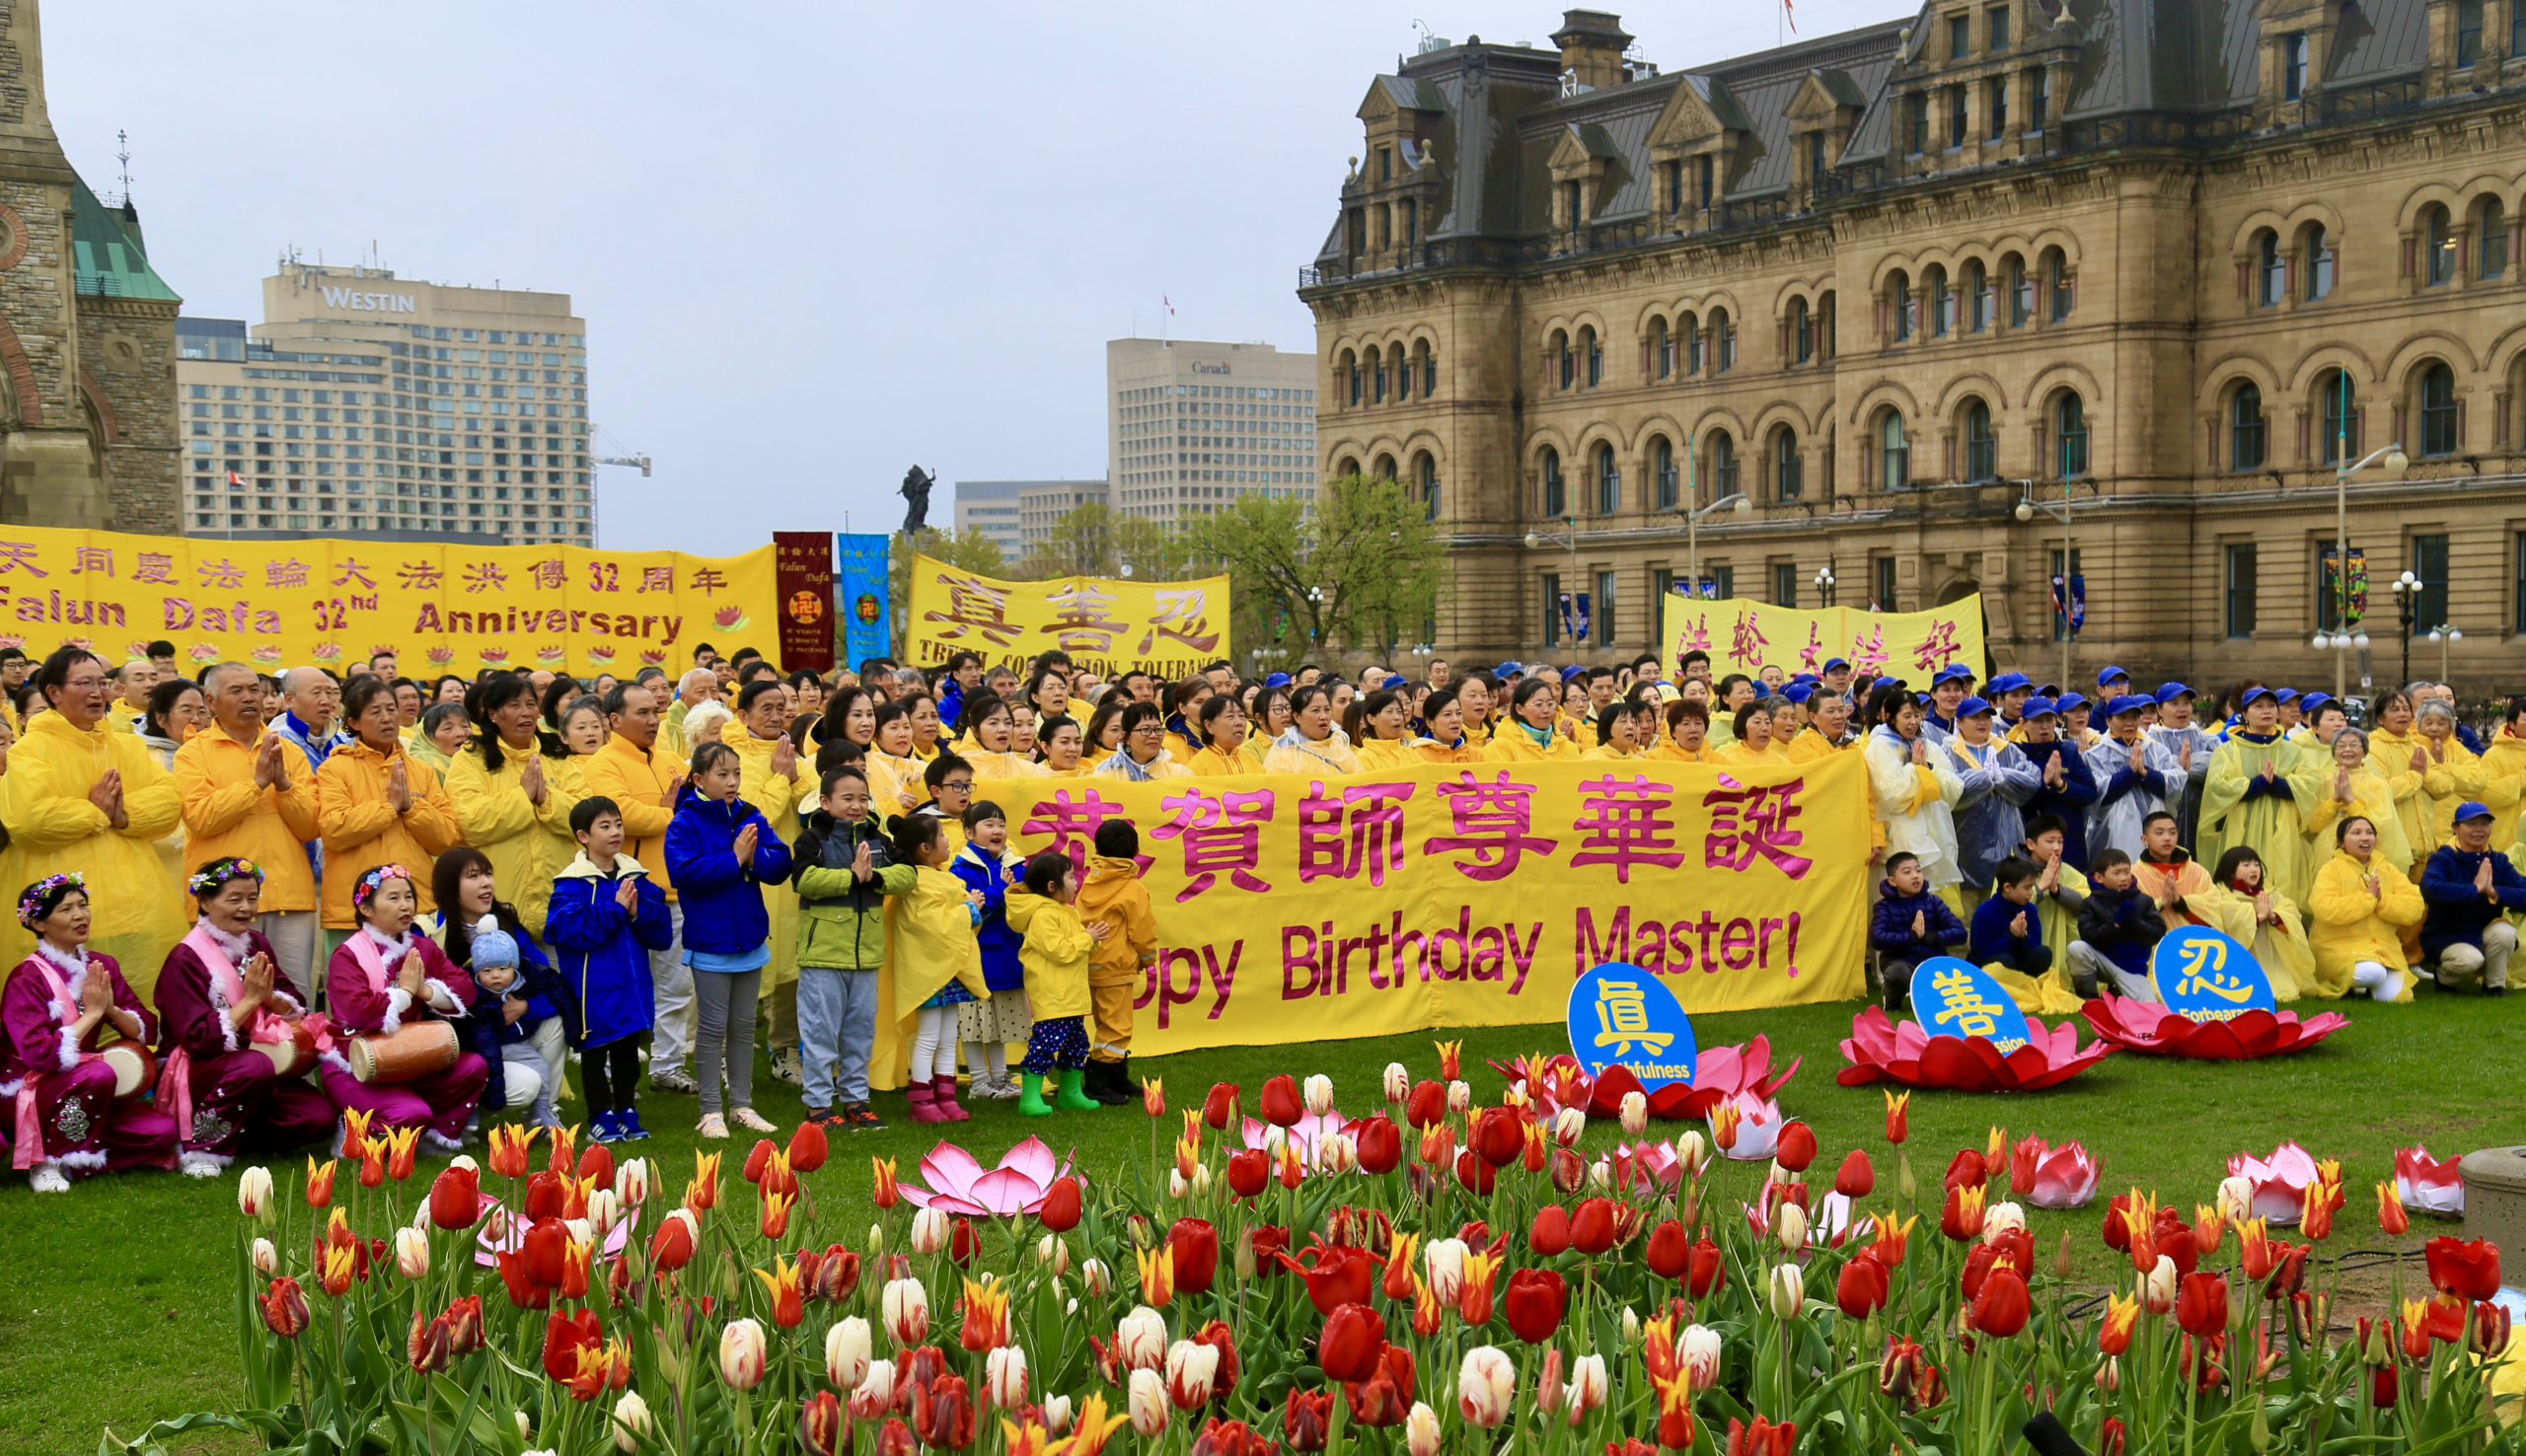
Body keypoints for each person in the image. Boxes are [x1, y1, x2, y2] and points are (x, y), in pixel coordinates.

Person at [0, 648, 185, 994]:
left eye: (102, 682)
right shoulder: (30, 750)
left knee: (137, 1002)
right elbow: (29, 821)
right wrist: (97, 811)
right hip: (60, 909)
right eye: (84, 683)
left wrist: (124, 814)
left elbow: (168, 803)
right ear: (54, 693)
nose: (97, 692)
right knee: (66, 1008)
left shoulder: (127, 748)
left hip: (132, 903)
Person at [152, 857, 335, 1172]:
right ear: (206, 901)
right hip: (199, 1068)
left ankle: (235, 1133)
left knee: (316, 1118)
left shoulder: (256, 943)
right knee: (254, 1065)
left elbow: (292, 998)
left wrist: (270, 999)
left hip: (254, 1067)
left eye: (252, 898)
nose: (246, 908)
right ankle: (203, 1146)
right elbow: (198, 1040)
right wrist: (250, 1002)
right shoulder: (184, 959)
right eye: (234, 899)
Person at [5, 874, 180, 1190]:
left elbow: (145, 1029)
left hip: (82, 1083)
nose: (80, 915)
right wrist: (94, 1013)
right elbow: (38, 1056)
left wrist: (109, 1009)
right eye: (66, 909)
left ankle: (79, 1161)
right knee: (98, 1073)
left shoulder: (102, 965)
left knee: (160, 1131)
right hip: (27, 1090)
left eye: (83, 906)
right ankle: (47, 1162)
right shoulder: (25, 977)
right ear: (39, 923)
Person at [663, 740, 792, 1138]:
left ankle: (741, 1105)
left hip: (749, 939)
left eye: (736, 773)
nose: (732, 781)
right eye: (722, 774)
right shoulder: (684, 822)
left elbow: (781, 862)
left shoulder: (751, 815)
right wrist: (734, 859)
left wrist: (754, 859)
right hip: (711, 942)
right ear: (700, 779)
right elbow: (684, 874)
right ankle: (710, 1111)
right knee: (712, 1029)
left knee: (741, 1027)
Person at [175, 663, 324, 1004]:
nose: (249, 697)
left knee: (293, 999)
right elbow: (201, 818)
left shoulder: (289, 750)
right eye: (236, 691)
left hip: (288, 896)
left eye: (254, 689)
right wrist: (256, 784)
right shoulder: (193, 754)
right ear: (211, 701)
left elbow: (310, 826)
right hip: (225, 901)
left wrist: (284, 785)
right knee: (228, 998)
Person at [320, 864, 490, 1152]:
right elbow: (359, 1012)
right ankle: (351, 1129)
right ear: (366, 909)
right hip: (356, 1065)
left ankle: (432, 1133)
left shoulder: (423, 948)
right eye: (393, 898)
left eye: (408, 897)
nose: (405, 905)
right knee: (410, 1114)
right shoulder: (347, 955)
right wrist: (404, 993)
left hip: (409, 1057)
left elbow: (464, 989)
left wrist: (425, 990)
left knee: (473, 1067)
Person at [578, 681, 695, 1096]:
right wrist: (667, 813)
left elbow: (694, 809)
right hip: (621, 892)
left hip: (673, 890)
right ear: (614, 719)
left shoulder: (669, 759)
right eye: (641, 713)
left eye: (654, 711)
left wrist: (669, 813)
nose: (653, 719)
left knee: (676, 986)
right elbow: (618, 816)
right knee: (619, 984)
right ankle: (613, 1069)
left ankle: (667, 1064)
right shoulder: (601, 763)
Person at [789, 764, 914, 1130]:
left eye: (863, 798)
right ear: (825, 802)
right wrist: (850, 877)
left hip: (866, 955)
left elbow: (907, 876)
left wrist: (873, 876)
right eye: (847, 799)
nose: (856, 806)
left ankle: (855, 1100)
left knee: (859, 1032)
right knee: (820, 1032)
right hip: (823, 955)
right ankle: (817, 1105)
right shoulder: (811, 839)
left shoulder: (879, 838)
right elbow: (805, 880)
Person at [543, 798, 671, 1142]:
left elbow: (661, 931)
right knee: (595, 1052)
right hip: (593, 988)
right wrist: (616, 911)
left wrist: (635, 913)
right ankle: (599, 1114)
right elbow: (571, 931)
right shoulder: (571, 884)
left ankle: (627, 1108)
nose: (615, 832)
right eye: (605, 826)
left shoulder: (635, 876)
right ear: (583, 836)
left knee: (628, 1051)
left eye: (618, 824)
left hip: (632, 986)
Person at [318, 677, 462, 953]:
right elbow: (335, 831)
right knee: (356, 989)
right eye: (375, 712)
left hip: (415, 908)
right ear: (354, 723)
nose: (387, 718)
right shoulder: (334, 768)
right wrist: (388, 808)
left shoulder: (421, 770)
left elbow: (446, 838)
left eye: (390, 709)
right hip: (356, 910)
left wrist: (411, 807)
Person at [721, 679, 811, 1087]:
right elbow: (754, 817)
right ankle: (726, 1053)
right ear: (743, 715)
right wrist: (780, 778)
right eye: (767, 709)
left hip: (791, 877)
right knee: (747, 968)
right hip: (752, 877)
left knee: (792, 966)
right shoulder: (731, 758)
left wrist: (795, 775)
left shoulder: (794, 751)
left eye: (782, 706)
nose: (777, 715)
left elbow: (813, 803)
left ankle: (784, 1050)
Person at [447, 674, 582, 939]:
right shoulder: (470, 759)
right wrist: (523, 797)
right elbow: (471, 822)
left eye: (531, 704)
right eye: (514, 705)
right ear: (493, 713)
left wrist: (546, 799)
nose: (526, 713)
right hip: (496, 910)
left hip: (561, 907)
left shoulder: (557, 754)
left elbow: (583, 820)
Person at [883, 811, 990, 1125]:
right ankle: (922, 1101)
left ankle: (945, 1097)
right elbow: (933, 925)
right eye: (942, 835)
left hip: (947, 971)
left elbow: (945, 920)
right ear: (925, 848)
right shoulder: (917, 883)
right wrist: (970, 908)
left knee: (947, 1038)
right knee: (929, 1037)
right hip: (928, 972)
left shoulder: (940, 878)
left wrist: (969, 905)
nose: (947, 840)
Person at [1003, 848, 1104, 1117]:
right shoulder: (1042, 916)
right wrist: (1087, 939)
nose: (1076, 882)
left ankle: (1071, 1093)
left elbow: (1077, 948)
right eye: (1070, 876)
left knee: (1076, 1044)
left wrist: (1093, 940)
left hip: (1071, 996)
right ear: (1052, 886)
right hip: (1053, 996)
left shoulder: (1065, 911)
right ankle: (1030, 1098)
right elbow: (1060, 951)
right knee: (1045, 1045)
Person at [2199, 687, 2324, 906]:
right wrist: (2256, 785)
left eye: (2271, 706)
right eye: (2258, 706)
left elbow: (2311, 784)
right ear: (2245, 714)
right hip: (2242, 826)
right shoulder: (2229, 750)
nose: (2266, 710)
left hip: (2283, 829)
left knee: (2282, 886)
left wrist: (2277, 784)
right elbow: (2217, 787)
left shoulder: (2292, 751)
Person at [452, 909, 569, 1130]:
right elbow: (483, 1042)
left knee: (540, 1065)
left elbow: (559, 991)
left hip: (515, 1043)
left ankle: (542, 1110)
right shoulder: (474, 996)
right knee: (480, 1072)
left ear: (514, 969)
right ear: (477, 973)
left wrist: (527, 1006)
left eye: (503, 969)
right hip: (483, 1051)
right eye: (487, 970)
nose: (496, 975)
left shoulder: (527, 981)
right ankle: (468, 1114)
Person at [950, 800, 1030, 1100]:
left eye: (1001, 824)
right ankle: (979, 1081)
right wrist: (1001, 889)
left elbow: (1021, 898)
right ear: (969, 832)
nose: (997, 830)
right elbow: (977, 908)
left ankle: (999, 1078)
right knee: (973, 1021)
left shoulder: (1013, 864)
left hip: (1007, 953)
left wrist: (1007, 888)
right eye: (989, 824)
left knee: (998, 1020)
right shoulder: (961, 868)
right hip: (978, 955)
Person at [1864, 683, 1968, 911]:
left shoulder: (1926, 744)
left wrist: (1927, 766)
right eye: (1907, 716)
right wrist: (1915, 768)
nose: (1914, 722)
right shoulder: (1879, 746)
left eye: (1917, 715)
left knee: (1928, 908)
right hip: (1896, 840)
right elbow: (1890, 794)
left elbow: (1954, 788)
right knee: (1895, 910)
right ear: (1890, 717)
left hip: (1931, 834)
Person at [1077, 819, 1155, 1106]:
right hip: (1117, 967)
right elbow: (1143, 931)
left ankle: (1116, 1078)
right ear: (1136, 849)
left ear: (1097, 848)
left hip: (1092, 963)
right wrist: (1147, 959)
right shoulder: (1133, 889)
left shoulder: (1089, 880)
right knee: (1117, 1028)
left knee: (1106, 1024)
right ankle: (1098, 1082)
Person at [2308, 815, 2425, 1002]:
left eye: (2370, 833)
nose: (2365, 838)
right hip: (2340, 948)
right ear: (2341, 843)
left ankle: (2364, 986)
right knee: (2373, 973)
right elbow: (2325, 910)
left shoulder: (2389, 869)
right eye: (2356, 833)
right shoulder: (2331, 870)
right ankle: (2358, 983)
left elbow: (2414, 907)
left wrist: (2382, 901)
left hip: (2384, 949)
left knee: (2398, 998)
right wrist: (2367, 900)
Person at [1941, 697, 2040, 907]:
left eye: (1986, 717)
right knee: (1967, 916)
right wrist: (1984, 779)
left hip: (2006, 840)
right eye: (1975, 717)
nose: (1982, 722)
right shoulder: (1947, 752)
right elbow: (1949, 793)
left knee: (2004, 908)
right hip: (1965, 844)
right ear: (1959, 722)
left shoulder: (2007, 749)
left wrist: (2003, 778)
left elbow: (2031, 781)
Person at [2419, 802, 2526, 993]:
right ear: (2455, 828)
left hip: (2483, 931)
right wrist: (2474, 889)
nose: (2479, 829)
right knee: (2470, 960)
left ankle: (2494, 986)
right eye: (2471, 824)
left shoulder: (2498, 860)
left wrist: (2494, 892)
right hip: (2446, 935)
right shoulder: (2443, 858)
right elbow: (2430, 889)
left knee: (2505, 932)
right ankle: (2444, 978)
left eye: (2485, 824)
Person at [2196, 846, 2323, 999]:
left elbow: (2291, 911)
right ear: (2230, 870)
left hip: (2271, 959)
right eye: (2246, 865)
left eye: (2256, 865)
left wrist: (2273, 915)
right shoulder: (2221, 894)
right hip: (2239, 960)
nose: (2254, 869)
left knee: (2286, 991)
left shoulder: (2268, 893)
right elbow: (2228, 918)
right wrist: (2255, 916)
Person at [2302, 727, 2414, 889]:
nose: (2347, 750)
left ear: (2365, 751)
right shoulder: (2323, 780)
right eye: (2341, 746)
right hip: (2327, 850)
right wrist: (2335, 800)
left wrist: (2350, 800)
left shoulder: (2377, 784)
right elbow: (2313, 824)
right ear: (2333, 751)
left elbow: (2380, 825)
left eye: (2354, 745)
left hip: (2365, 851)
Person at [2084, 694, 2180, 861]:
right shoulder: (2095, 754)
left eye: (2134, 717)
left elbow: (2174, 785)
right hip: (2110, 831)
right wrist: (2129, 774)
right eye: (2122, 717)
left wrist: (2146, 774)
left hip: (2154, 825)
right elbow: (2097, 794)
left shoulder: (2156, 750)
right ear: (2108, 721)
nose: (2129, 723)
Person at [1869, 851, 1969, 1012]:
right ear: (1892, 881)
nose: (1915, 876)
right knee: (1897, 974)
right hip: (1900, 961)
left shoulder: (1934, 902)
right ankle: (1892, 1004)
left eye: (1918, 870)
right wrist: (1912, 936)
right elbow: (1877, 938)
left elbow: (1959, 933)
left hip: (1932, 961)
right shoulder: (1884, 906)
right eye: (1907, 872)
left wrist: (1930, 937)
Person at [2067, 848, 2165, 1000]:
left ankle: (2118, 991)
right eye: (2116, 873)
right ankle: (2089, 998)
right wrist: (2116, 926)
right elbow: (2089, 936)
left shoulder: (2144, 900)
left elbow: (2157, 934)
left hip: (2132, 969)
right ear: (2099, 877)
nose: (2123, 877)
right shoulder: (2090, 903)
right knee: (2076, 949)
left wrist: (2133, 923)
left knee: (2149, 1007)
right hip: (2103, 962)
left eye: (2127, 872)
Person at [2014, 698, 2099, 870]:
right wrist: (2044, 785)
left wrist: (2061, 784)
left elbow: (2090, 793)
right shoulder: (2015, 753)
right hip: (2030, 843)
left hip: (2070, 842)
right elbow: (2016, 801)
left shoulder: (2068, 751)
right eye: (2037, 721)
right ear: (2023, 724)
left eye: (2049, 720)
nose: (2044, 726)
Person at [1968, 857, 2055, 978]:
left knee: (2044, 953)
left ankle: (2027, 988)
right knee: (2004, 961)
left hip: (2020, 964)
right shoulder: (1984, 912)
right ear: (2007, 887)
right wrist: (2010, 936)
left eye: (2032, 887)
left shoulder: (2030, 909)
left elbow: (2036, 947)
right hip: (1989, 971)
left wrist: (2024, 937)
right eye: (2026, 888)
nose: (2031, 892)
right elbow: (1981, 954)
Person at [2130, 810, 2212, 931]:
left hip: (2195, 945)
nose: (2167, 838)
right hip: (2154, 947)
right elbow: (2129, 918)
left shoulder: (2197, 871)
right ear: (2145, 839)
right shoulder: (2133, 874)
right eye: (2159, 833)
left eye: (2172, 833)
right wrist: (2161, 904)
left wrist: (2181, 903)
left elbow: (2213, 914)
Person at [1263, 686, 1360, 775]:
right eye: (1315, 710)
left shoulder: (1339, 747)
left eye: (1327, 709)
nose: (1324, 716)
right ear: (1297, 717)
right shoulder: (1282, 754)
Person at [957, 693, 1050, 782]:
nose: (1003, 729)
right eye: (993, 723)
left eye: (1008, 723)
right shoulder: (960, 768)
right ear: (975, 731)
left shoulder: (1031, 769)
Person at [1095, 700, 1194, 781]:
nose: (1154, 735)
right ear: (1125, 737)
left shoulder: (1180, 774)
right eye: (1145, 730)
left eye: (1158, 729)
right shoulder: (1105, 773)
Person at [1488, 679, 1579, 762]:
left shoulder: (1568, 747)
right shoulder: (1500, 747)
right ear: (1519, 709)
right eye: (1538, 704)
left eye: (1550, 704)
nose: (1546, 710)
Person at [1184, 694, 1250, 776]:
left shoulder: (1253, 764)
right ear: (1209, 726)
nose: (1239, 722)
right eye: (1230, 716)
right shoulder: (1195, 768)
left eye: (1241, 716)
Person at [1714, 700, 1788, 765]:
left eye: (1767, 722)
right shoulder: (1726, 759)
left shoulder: (1782, 762)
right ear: (1741, 731)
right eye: (1757, 722)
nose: (1765, 728)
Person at [1648, 699, 1713, 763]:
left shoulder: (1718, 760)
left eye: (1698, 723)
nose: (1693, 729)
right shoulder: (1655, 758)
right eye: (1686, 724)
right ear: (1673, 732)